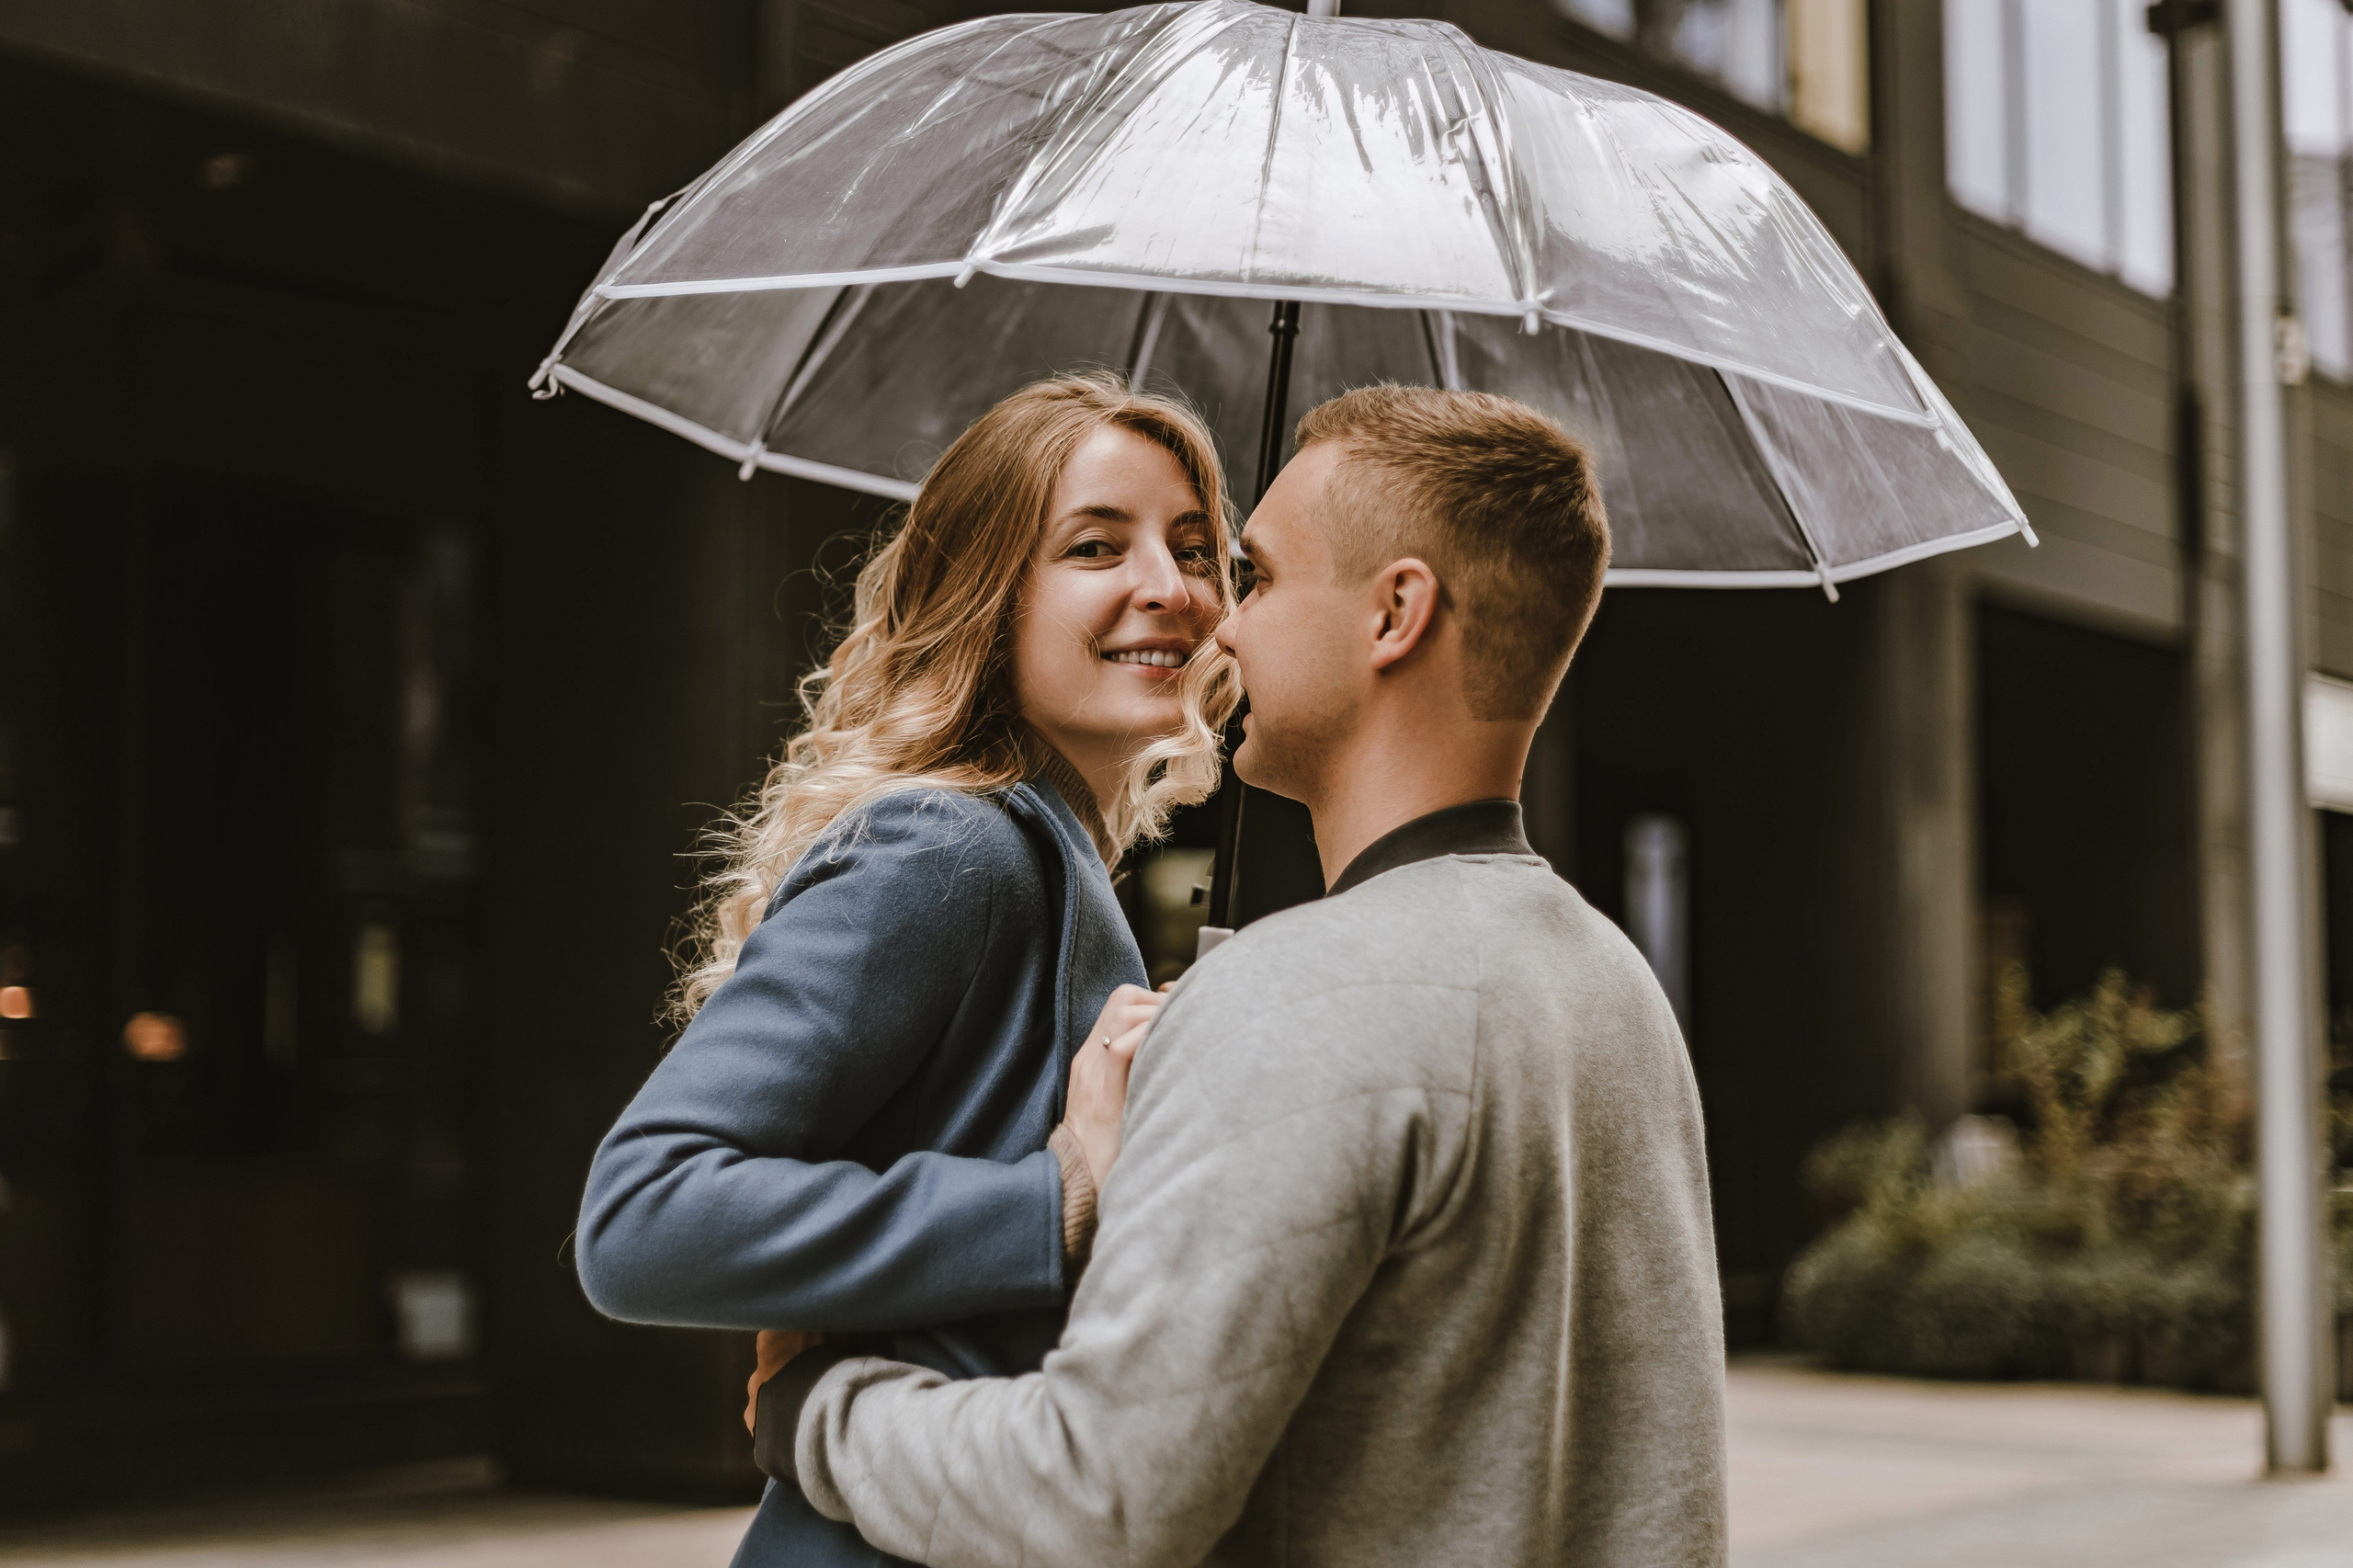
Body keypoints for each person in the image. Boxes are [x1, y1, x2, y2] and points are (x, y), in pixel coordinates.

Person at [751, 385, 1729, 1567]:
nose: (1220, 629)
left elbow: (1097, 1497)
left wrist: (822, 1405)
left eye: (1253, 576)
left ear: (1394, 614)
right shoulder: (1616, 985)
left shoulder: (1299, 999)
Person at [573, 373, 1240, 1568]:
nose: (1172, 586)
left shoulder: (1055, 856)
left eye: (1195, 548)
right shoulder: (952, 846)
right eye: (1097, 545)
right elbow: (641, 1213)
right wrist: (1052, 1201)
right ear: (986, 594)